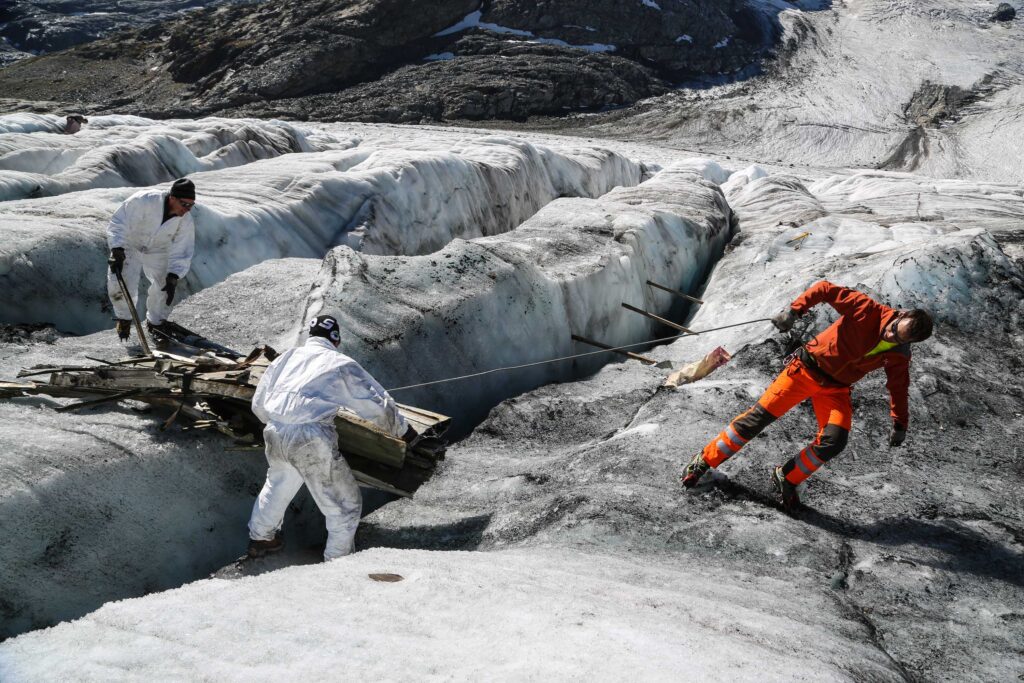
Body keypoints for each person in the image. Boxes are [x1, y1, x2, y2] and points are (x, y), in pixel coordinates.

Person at [681, 281, 933, 510]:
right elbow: (824, 289)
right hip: (804, 371)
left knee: (834, 441)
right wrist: (793, 311)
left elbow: (898, 386)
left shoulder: (899, 353)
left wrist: (900, 423)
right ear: (901, 315)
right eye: (894, 330)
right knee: (756, 420)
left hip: (837, 389)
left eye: (900, 338)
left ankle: (786, 477)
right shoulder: (867, 309)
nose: (891, 336)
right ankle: (703, 461)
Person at [247, 314, 418, 561]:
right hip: (310, 436)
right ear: (335, 339)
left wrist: (281, 421)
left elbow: (258, 405)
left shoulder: (285, 358)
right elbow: (375, 404)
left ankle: (261, 539)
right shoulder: (338, 363)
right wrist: (404, 432)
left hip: (275, 431)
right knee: (344, 506)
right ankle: (337, 564)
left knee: (279, 484)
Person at [106, 178, 196, 340]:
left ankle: (156, 323)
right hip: (130, 243)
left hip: (159, 249)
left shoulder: (185, 220)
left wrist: (174, 275)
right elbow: (119, 221)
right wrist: (117, 248)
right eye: (184, 204)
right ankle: (124, 319)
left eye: (191, 205)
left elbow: (183, 248)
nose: (187, 209)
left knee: (164, 285)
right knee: (120, 282)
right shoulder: (144, 200)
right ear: (172, 198)